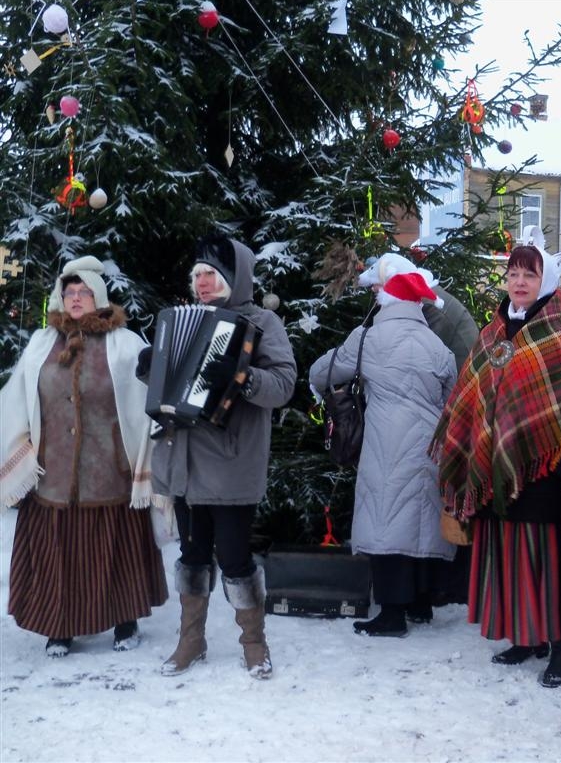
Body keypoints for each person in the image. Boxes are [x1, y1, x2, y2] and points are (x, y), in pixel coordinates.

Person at [430, 244, 561, 688]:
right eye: (514, 273)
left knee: (545, 555)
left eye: (530, 273)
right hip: (494, 464)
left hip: (545, 466)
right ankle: (526, 635)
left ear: (546, 280)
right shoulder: (492, 332)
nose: (520, 281)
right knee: (503, 549)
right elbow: (470, 395)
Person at [142, 235, 296, 680]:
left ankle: (254, 643)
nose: (203, 283)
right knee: (192, 556)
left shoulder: (262, 321)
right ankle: (191, 640)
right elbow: (169, 386)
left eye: (212, 274)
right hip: (184, 462)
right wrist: (150, 367)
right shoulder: (179, 319)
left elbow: (284, 384)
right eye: (198, 276)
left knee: (233, 558)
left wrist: (244, 377)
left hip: (230, 463)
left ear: (234, 278)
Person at [1, 256, 168, 658]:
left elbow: (152, 396)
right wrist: (21, 450)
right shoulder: (43, 342)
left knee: (117, 549)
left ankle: (125, 619)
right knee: (57, 553)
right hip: (53, 471)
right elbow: (17, 398)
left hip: (110, 468)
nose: (76, 299)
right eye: (69, 293)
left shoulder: (126, 344)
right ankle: (59, 627)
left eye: (84, 292)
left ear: (98, 296)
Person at [310, 271, 457, 637]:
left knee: (386, 519)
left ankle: (392, 613)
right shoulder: (438, 346)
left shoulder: (368, 338)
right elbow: (453, 396)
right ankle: (421, 604)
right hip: (430, 445)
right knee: (420, 517)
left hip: (385, 441)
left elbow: (321, 373)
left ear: (388, 301)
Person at [358, 252, 479, 372]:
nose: (373, 289)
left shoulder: (426, 306)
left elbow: (418, 354)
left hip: (466, 368)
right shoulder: (418, 298)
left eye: (376, 284)